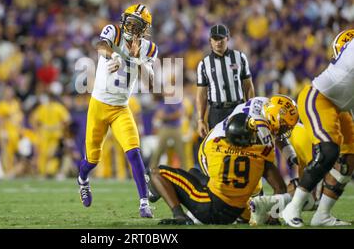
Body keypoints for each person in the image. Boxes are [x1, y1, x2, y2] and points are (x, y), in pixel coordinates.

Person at [77, 3, 157, 218]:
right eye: (129, 20)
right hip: (99, 105)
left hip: (121, 108)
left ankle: (143, 203)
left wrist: (138, 61)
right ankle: (82, 179)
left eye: (136, 24)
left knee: (133, 151)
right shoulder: (114, 31)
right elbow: (101, 45)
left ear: (144, 29)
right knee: (92, 160)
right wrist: (115, 57)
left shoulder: (148, 48)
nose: (130, 26)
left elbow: (150, 84)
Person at [148, 113, 289, 225]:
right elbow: (281, 188)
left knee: (157, 172)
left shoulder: (215, 145)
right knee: (194, 173)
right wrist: (274, 217)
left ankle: (179, 215)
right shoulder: (262, 154)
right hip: (236, 211)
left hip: (209, 207)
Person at [282, 30, 354, 227]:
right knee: (328, 151)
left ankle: (322, 215)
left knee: (349, 158)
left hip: (341, 108)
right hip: (318, 98)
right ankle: (293, 207)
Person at [196, 24, 255, 140]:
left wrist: (250, 109)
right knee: (219, 148)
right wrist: (200, 120)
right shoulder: (204, 64)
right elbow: (201, 94)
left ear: (227, 38)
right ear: (210, 41)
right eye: (215, 39)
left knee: (242, 146)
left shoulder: (240, 57)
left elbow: (248, 86)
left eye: (221, 38)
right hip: (216, 112)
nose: (218, 42)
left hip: (238, 108)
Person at [0, 86, 24, 173]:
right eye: (7, 92)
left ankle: (13, 172)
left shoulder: (16, 103)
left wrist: (21, 130)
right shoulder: (1, 105)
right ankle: (6, 172)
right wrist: (2, 131)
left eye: (10, 92)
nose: (8, 94)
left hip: (16, 132)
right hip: (6, 132)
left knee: (16, 153)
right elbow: (0, 120)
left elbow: (20, 118)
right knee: (6, 154)